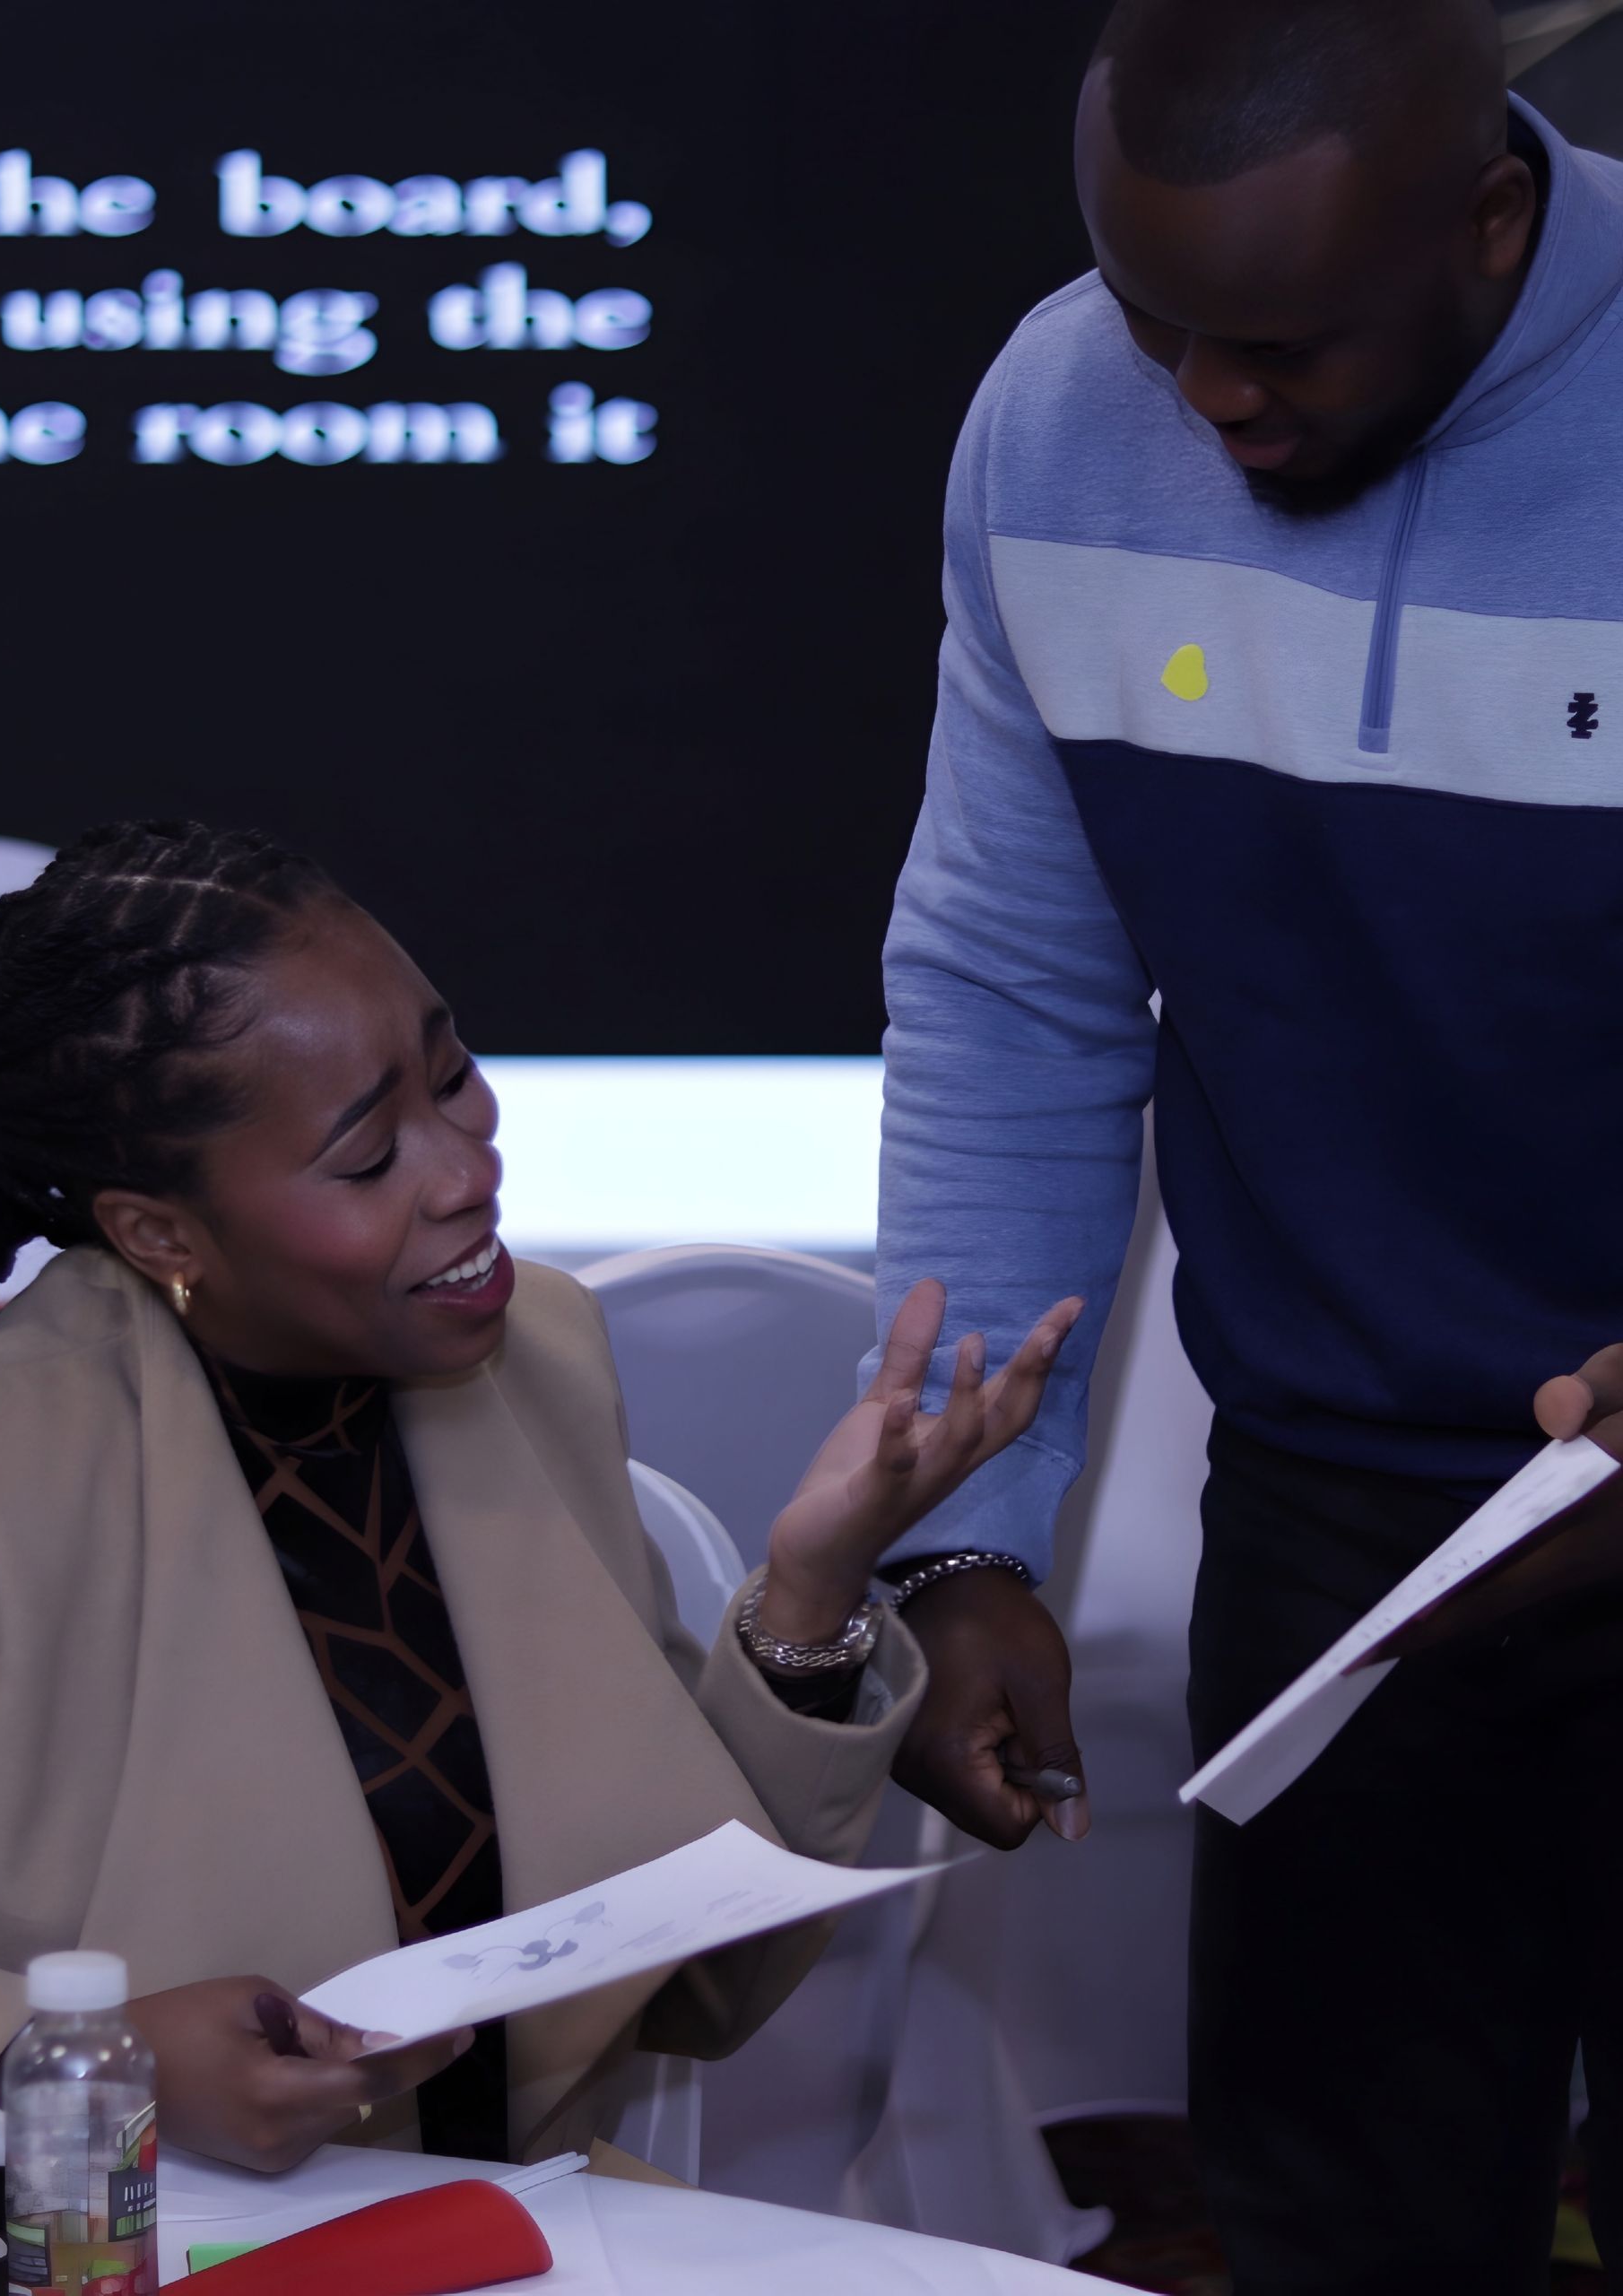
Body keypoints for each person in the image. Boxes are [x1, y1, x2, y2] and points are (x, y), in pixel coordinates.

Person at [872, 2, 1623, 2287]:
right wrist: (960, 1538)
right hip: (1343, 1530)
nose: (1203, 396)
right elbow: (1015, 993)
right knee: (1338, 2226)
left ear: (1493, 220)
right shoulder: (1055, 414)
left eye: (1278, 337)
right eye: (1154, 313)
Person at [0, 819, 1081, 2177]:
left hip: (523, 2242)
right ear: (159, 1232)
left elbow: (691, 1986)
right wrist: (67, 2059)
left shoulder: (538, 1365)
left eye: (453, 1077)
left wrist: (815, 1592)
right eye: (365, 1160)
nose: (468, 1172)